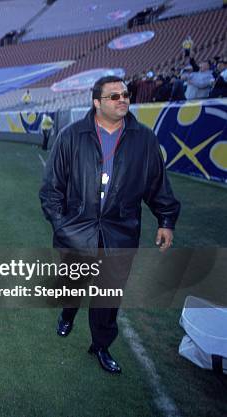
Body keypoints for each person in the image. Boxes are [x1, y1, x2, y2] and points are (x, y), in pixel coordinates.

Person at [39, 76, 180, 374]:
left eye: (125, 94)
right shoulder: (71, 136)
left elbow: (157, 183)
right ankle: (68, 312)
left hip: (120, 231)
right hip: (76, 232)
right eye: (114, 96)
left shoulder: (144, 139)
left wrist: (166, 219)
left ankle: (101, 345)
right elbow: (51, 188)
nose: (123, 100)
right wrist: (62, 224)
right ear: (96, 102)